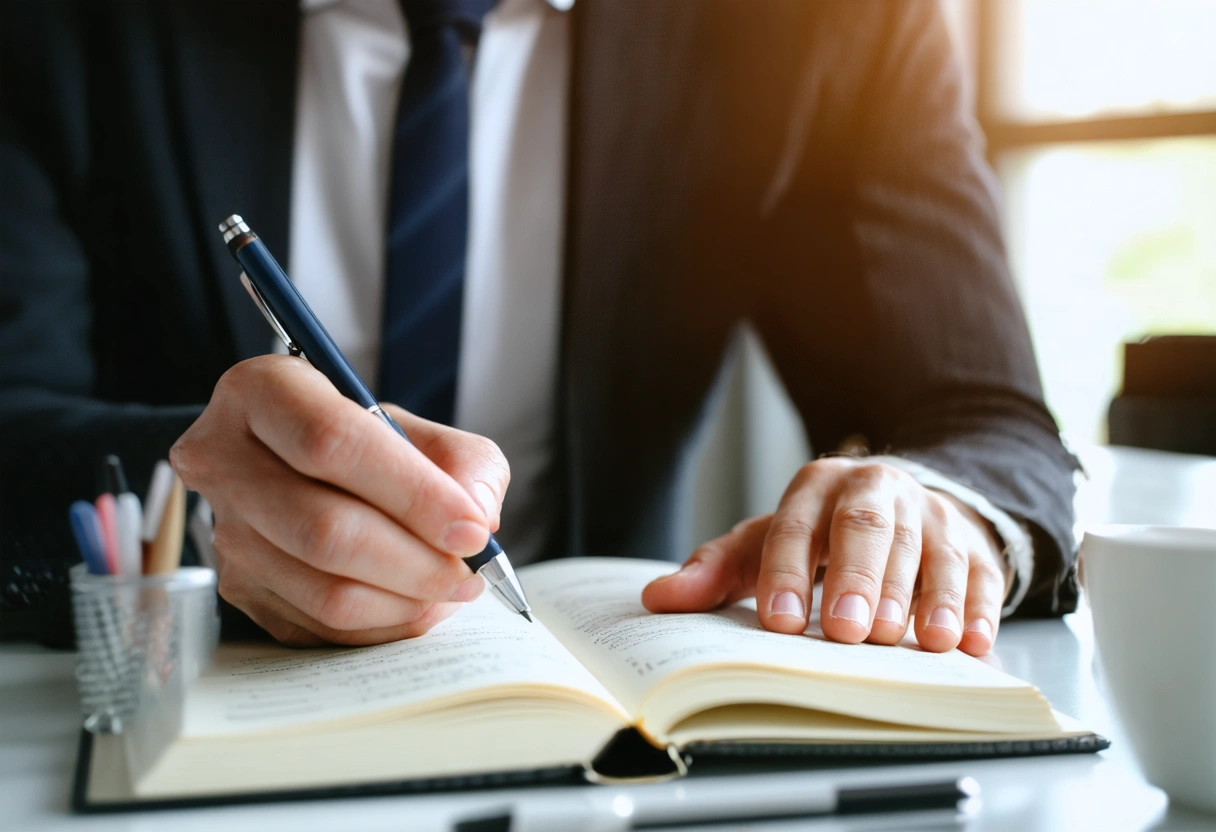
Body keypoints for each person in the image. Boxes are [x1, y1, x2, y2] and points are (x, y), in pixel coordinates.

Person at [0, 0, 1080, 654]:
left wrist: (931, 512)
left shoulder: (810, 24)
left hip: (603, 745)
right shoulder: (60, 24)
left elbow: (983, 421)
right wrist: (198, 514)